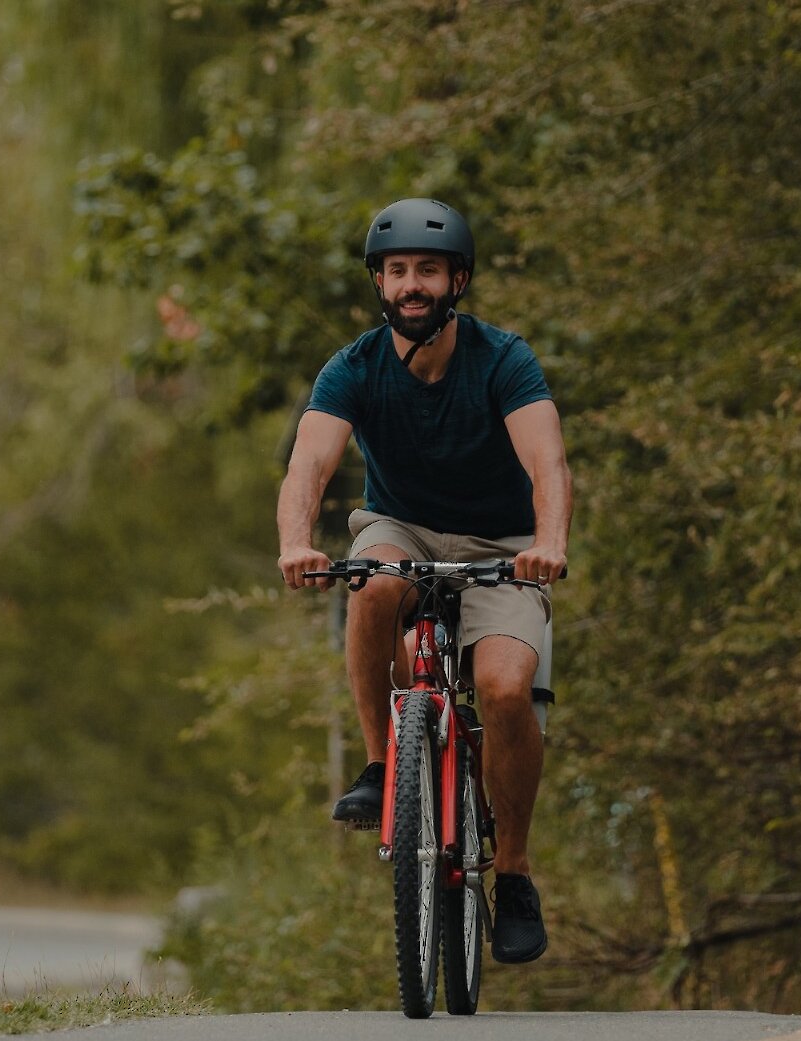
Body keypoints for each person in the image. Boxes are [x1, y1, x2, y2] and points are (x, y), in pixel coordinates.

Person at [277, 198, 572, 965]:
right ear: (380, 281)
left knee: (506, 688)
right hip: (398, 528)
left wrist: (549, 542)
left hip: (502, 543)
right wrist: (295, 543)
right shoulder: (354, 367)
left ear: (457, 280)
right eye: (398, 270)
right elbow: (309, 463)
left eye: (428, 271)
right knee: (371, 586)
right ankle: (382, 767)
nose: (412, 284)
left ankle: (513, 874)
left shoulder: (503, 358)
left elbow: (546, 461)